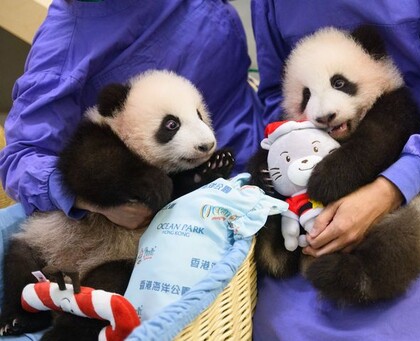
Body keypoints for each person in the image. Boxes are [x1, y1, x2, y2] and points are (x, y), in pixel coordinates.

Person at [0, 0, 263, 338]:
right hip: (81, 228)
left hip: (222, 210)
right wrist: (98, 203)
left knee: (110, 287)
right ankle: (25, 315)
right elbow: (25, 155)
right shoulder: (74, 35)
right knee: (24, 252)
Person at [251, 0, 420, 340]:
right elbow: (279, 95)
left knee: (407, 327)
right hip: (318, 169)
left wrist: (389, 188)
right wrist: (296, 152)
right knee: (276, 323)